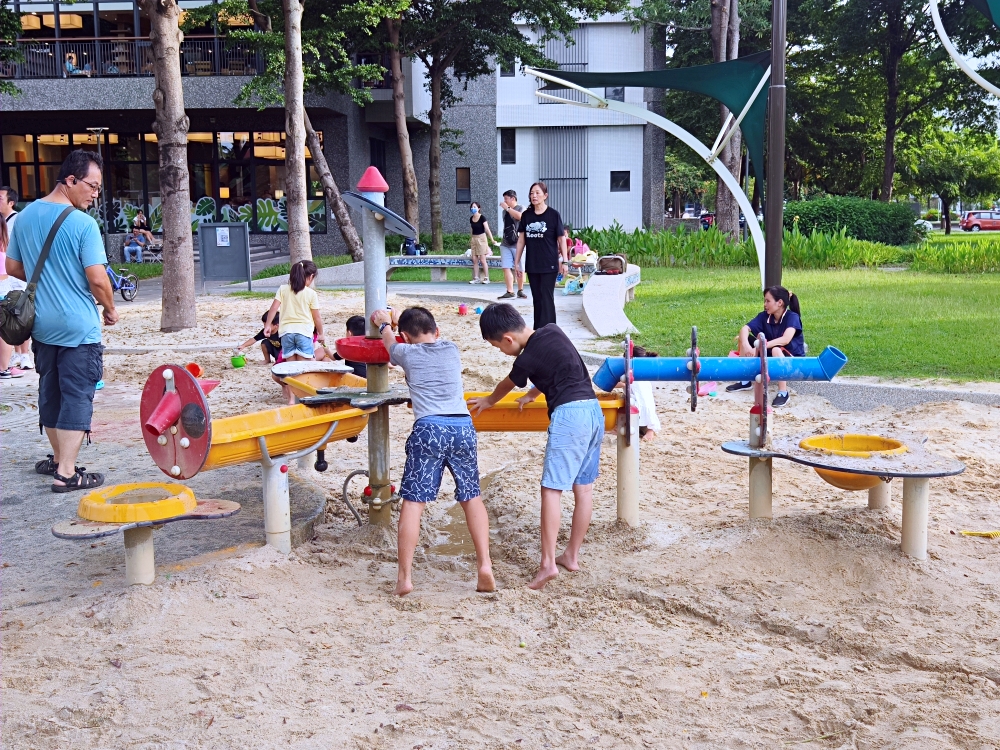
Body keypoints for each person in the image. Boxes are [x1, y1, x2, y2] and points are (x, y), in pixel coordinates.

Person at [5, 149, 118, 491]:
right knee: (78, 394)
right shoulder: (83, 224)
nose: (95, 194)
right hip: (77, 327)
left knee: (51, 393)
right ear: (70, 180)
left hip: (41, 325)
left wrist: (49, 276)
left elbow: (13, 268)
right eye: (92, 186)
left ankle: (57, 458)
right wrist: (110, 308)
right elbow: (97, 278)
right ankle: (67, 473)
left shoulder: (23, 217)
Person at [469, 303, 603, 590]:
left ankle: (547, 564)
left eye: (497, 347)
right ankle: (571, 555)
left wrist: (489, 401)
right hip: (593, 412)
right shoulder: (552, 331)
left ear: (508, 339)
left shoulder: (525, 359)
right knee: (584, 488)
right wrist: (534, 393)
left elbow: (507, 384)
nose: (500, 351)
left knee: (551, 489)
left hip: (570, 416)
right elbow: (560, 365)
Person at [370, 305, 494, 597]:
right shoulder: (451, 349)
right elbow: (417, 334)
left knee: (414, 503)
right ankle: (485, 565)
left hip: (429, 428)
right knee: (471, 496)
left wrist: (383, 323)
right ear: (437, 332)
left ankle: (404, 577)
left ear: (404, 336)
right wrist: (399, 321)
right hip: (463, 426)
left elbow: (389, 342)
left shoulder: (405, 353)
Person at [726, 285, 805, 407]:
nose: (765, 304)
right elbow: (745, 329)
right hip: (769, 353)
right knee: (743, 337)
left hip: (790, 359)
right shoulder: (765, 316)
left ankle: (783, 392)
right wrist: (747, 346)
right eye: (765, 301)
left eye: (768, 301)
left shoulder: (792, 317)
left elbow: (785, 339)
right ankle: (745, 380)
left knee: (776, 349)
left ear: (779, 303)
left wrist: (759, 346)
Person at [263, 260, 325, 405]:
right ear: (309, 277)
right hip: (303, 333)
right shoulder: (310, 294)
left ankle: (291, 400)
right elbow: (317, 317)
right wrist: (321, 333)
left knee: (291, 368)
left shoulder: (283, 289)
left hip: (286, 333)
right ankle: (306, 396)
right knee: (306, 367)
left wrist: (267, 325)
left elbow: (273, 309)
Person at [515, 182, 568, 329]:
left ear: (545, 195)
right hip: (532, 264)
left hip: (549, 264)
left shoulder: (553, 215)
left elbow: (561, 239)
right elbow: (521, 241)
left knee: (547, 298)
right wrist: (517, 262)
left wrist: (565, 261)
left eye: (537, 193)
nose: (534, 196)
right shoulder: (526, 215)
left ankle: (550, 330)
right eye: (532, 193)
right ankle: (538, 330)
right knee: (537, 299)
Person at [1, 186, 32, 371]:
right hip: (6, 275)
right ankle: (16, 355)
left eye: (0, 198)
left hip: (16, 275)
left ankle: (24, 355)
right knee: (9, 316)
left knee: (20, 313)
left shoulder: (18, 220)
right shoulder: (3, 220)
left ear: (11, 202)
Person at [612, 346, 661, 441]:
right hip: (643, 416)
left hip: (639, 414)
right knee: (627, 400)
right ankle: (648, 430)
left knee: (625, 402)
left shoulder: (631, 377)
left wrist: (610, 383)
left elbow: (618, 384)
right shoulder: (642, 374)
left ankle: (649, 431)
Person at [0, 217, 26, 379]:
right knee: (4, 333)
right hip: (3, 293)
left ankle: (4, 366)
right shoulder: (5, 250)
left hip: (3, 292)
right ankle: (4, 367)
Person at [497, 190, 527, 300]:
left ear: (513, 198)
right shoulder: (504, 212)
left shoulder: (521, 208)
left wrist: (508, 208)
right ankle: (510, 291)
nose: (504, 201)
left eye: (506, 199)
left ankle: (520, 290)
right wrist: (506, 209)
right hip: (505, 242)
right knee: (506, 266)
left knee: (519, 267)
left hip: (518, 243)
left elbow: (520, 217)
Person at [468, 202, 498, 285]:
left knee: (482, 259)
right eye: (472, 207)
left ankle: (486, 277)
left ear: (479, 208)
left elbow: (487, 229)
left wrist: (492, 240)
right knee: (474, 259)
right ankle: (476, 278)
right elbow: (471, 229)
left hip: (482, 239)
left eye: (474, 207)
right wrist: (470, 238)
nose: (473, 208)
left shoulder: (482, 218)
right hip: (474, 239)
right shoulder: (471, 218)